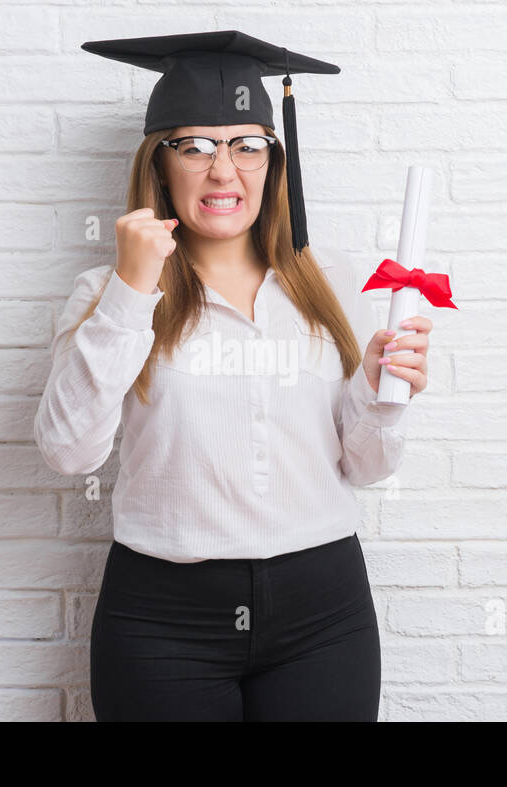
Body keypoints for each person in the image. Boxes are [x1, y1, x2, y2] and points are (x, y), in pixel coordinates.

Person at [33, 30, 433, 721]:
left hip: (323, 613)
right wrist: (133, 290)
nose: (225, 171)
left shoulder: (331, 283)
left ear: (275, 162)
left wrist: (379, 395)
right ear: (159, 165)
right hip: (163, 621)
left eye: (247, 145)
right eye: (195, 146)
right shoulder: (106, 293)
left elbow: (366, 467)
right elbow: (70, 451)